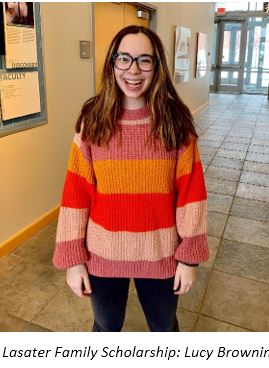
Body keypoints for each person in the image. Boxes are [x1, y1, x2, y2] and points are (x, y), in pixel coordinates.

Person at [53, 25, 209, 332]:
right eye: (123, 58)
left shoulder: (176, 122)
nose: (133, 70)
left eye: (144, 60)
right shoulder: (93, 119)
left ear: (157, 66)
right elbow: (76, 193)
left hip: (161, 253)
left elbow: (192, 195)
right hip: (103, 254)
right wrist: (73, 259)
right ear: (112, 63)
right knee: (106, 326)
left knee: (164, 327)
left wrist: (189, 258)